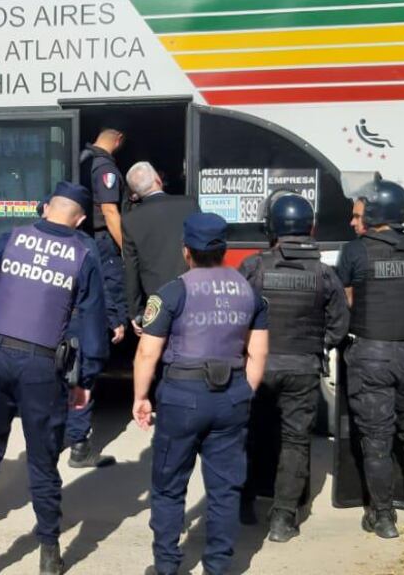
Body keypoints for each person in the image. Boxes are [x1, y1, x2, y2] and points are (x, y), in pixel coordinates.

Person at [0, 182, 108, 575]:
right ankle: (49, 555)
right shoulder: (84, 252)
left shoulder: (10, 239)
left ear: (46, 209)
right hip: (42, 366)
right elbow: (93, 323)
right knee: (43, 463)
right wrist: (86, 378)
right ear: (79, 219)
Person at [132, 212, 269, 575]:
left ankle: (166, 565)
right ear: (224, 249)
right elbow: (258, 354)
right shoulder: (249, 291)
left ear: (186, 250)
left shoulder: (172, 292)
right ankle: (218, 566)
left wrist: (141, 397)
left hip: (182, 396)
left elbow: (147, 352)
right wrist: (244, 392)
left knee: (169, 486)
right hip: (232, 395)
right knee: (225, 490)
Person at [336, 174, 404, 539]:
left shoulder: (355, 252)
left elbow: (346, 303)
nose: (353, 221)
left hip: (371, 356)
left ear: (375, 214)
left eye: (358, 215)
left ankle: (382, 518)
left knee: (376, 440)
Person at [238, 192, 348, 542]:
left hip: (258, 367)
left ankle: (244, 503)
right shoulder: (324, 273)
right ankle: (283, 519)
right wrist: (317, 346)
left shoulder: (253, 267)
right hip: (303, 368)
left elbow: (235, 316)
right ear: (310, 228)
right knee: (296, 441)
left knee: (250, 433)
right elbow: (339, 325)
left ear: (271, 227)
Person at [70, 127, 129, 468]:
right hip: (104, 247)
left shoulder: (81, 159)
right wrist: (127, 250)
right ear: (118, 139)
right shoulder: (104, 166)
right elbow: (110, 212)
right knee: (85, 365)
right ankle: (79, 445)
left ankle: (65, 436)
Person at [122, 161, 198, 335]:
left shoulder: (130, 220)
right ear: (158, 180)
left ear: (135, 193)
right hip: (193, 293)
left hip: (158, 301)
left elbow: (131, 268)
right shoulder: (189, 204)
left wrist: (135, 312)